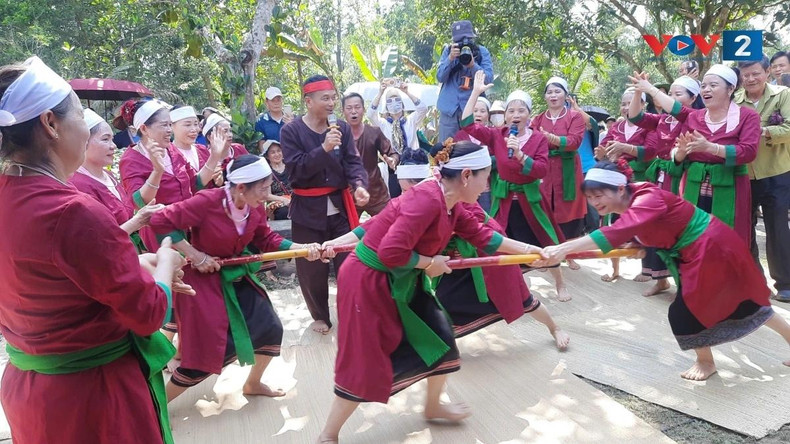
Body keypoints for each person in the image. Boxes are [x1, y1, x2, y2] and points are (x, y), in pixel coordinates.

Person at [0, 56, 189, 444]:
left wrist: (135, 262)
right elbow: (149, 312)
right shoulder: (72, 211)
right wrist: (165, 265)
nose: (88, 133)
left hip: (30, 392)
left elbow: (46, 278)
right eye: (79, 117)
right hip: (93, 397)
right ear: (50, 123)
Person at [316, 141, 543, 443]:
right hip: (368, 281)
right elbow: (389, 252)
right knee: (366, 361)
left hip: (401, 276)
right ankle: (328, 434)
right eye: (486, 176)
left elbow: (483, 236)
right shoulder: (426, 200)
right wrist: (429, 263)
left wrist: (533, 251)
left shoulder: (451, 203)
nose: (488, 185)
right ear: (466, 175)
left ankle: (433, 406)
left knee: (441, 336)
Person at [538, 161, 790, 381]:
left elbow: (616, 232)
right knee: (738, 304)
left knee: (697, 309)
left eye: (599, 196)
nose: (594, 203)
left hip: (710, 247)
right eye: (590, 198)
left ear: (620, 188)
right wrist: (636, 244)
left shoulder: (647, 197)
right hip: (696, 251)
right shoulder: (631, 205)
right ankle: (708, 360)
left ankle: (706, 362)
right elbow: (636, 231)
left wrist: (563, 248)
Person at [148, 155, 322, 401]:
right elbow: (160, 221)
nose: (267, 194)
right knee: (210, 351)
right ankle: (158, 406)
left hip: (238, 277)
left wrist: (300, 248)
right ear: (240, 188)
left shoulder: (254, 205)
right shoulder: (207, 201)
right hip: (203, 284)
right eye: (262, 188)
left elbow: (264, 238)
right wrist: (195, 255)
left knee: (270, 328)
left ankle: (253, 383)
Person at [460, 71, 572, 302]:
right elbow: (467, 124)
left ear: (529, 114)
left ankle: (560, 283)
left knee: (546, 240)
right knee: (501, 242)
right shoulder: (497, 135)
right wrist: (475, 93)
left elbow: (541, 169)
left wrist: (520, 155)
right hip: (504, 200)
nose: (515, 115)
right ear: (505, 115)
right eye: (511, 111)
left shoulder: (538, 138)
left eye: (521, 110)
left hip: (531, 199)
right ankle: (517, 290)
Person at [631, 65, 760, 248]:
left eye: (713, 85)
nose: (706, 90)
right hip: (694, 185)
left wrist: (711, 148)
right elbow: (678, 149)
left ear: (730, 88)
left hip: (730, 185)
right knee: (693, 237)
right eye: (704, 86)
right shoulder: (695, 117)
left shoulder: (747, 116)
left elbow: (748, 151)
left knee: (727, 239)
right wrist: (680, 153)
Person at [280, 75, 369, 334]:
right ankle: (320, 316)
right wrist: (324, 148)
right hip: (307, 210)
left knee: (349, 262)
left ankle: (352, 312)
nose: (331, 103)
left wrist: (359, 185)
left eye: (333, 98)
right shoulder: (291, 131)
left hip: (340, 207)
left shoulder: (341, 127)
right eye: (325, 98)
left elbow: (353, 161)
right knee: (311, 268)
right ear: (308, 102)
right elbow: (295, 171)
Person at [119, 99, 229, 252]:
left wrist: (215, 155)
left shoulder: (171, 150)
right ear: (144, 129)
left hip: (187, 225)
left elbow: (195, 183)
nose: (169, 130)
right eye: (164, 125)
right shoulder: (132, 159)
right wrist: (157, 171)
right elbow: (139, 202)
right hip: (161, 234)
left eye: (170, 124)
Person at [628, 75, 704, 296]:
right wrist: (638, 91)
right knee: (655, 224)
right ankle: (660, 279)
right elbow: (635, 116)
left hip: (681, 178)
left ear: (693, 98)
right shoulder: (662, 120)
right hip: (660, 177)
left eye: (678, 94)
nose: (670, 97)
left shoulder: (694, 118)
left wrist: (650, 88)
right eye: (670, 93)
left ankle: (685, 284)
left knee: (677, 228)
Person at [734, 56, 790, 302]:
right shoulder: (735, 100)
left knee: (778, 228)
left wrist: (762, 130)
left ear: (767, 72)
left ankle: (785, 284)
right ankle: (755, 282)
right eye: (745, 75)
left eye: (756, 73)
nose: (750, 79)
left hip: (776, 172)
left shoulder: (783, 95)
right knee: (744, 229)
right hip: (744, 174)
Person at [70, 108, 163, 253]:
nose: (113, 146)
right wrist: (138, 220)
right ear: (83, 142)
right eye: (105, 139)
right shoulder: (77, 185)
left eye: (112, 139)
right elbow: (96, 242)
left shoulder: (109, 175)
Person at [531, 76, 587, 270]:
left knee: (570, 210)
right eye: (549, 92)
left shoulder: (575, 116)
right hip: (545, 168)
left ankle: (570, 255)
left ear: (565, 94)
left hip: (568, 168)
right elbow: (533, 140)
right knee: (545, 208)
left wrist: (551, 138)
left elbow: (574, 141)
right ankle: (546, 254)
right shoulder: (538, 118)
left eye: (557, 91)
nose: (553, 95)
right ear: (545, 96)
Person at [436, 20, 494, 141]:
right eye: (459, 41)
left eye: (467, 40)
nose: (463, 43)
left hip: (472, 111)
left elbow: (488, 80)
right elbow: (440, 77)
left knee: (471, 147)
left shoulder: (481, 52)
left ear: (472, 38)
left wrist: (473, 65)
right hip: (449, 111)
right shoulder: (448, 51)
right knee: (446, 148)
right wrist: (450, 59)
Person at [368, 80, 427, 198]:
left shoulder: (411, 120)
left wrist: (407, 92)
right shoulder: (383, 124)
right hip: (392, 168)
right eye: (389, 101)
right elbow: (370, 114)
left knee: (415, 198)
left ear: (403, 104)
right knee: (395, 198)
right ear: (386, 107)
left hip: (412, 165)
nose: (394, 103)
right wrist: (380, 93)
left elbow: (423, 109)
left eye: (397, 100)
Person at [344, 92, 398, 215]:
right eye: (349, 108)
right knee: (347, 227)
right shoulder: (338, 135)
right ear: (343, 111)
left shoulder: (374, 132)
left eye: (357, 107)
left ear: (363, 110)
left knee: (388, 222)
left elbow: (392, 153)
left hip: (376, 192)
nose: (353, 111)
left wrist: (392, 160)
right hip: (350, 193)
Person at [454, 96, 493, 211]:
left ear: (488, 115)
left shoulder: (493, 135)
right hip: (465, 187)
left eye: (482, 111)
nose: (478, 114)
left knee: (485, 216)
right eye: (475, 111)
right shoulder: (460, 135)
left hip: (486, 187)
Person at [261, 139, 292, 220]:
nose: (277, 154)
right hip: (279, 203)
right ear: (267, 156)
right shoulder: (266, 172)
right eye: (273, 152)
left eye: (279, 151)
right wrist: (283, 200)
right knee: (284, 212)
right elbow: (267, 195)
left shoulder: (291, 166)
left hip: (295, 199)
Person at [255, 86, 293, 151]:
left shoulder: (293, 119)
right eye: (273, 100)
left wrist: (292, 126)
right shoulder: (261, 122)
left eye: (278, 100)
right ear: (266, 102)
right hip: (272, 156)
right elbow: (262, 146)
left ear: (282, 101)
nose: (276, 103)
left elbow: (300, 140)